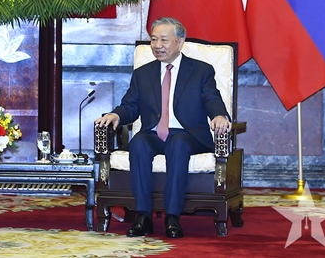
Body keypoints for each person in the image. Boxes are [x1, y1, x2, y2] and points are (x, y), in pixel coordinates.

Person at [94, 17, 231, 239]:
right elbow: (131, 105)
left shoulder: (200, 71)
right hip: (154, 134)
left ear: (180, 42)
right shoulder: (143, 73)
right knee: (138, 143)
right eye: (154, 39)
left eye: (164, 40)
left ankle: (172, 217)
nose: (157, 45)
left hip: (188, 135)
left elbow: (211, 99)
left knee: (178, 144)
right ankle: (143, 217)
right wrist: (116, 115)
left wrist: (219, 115)